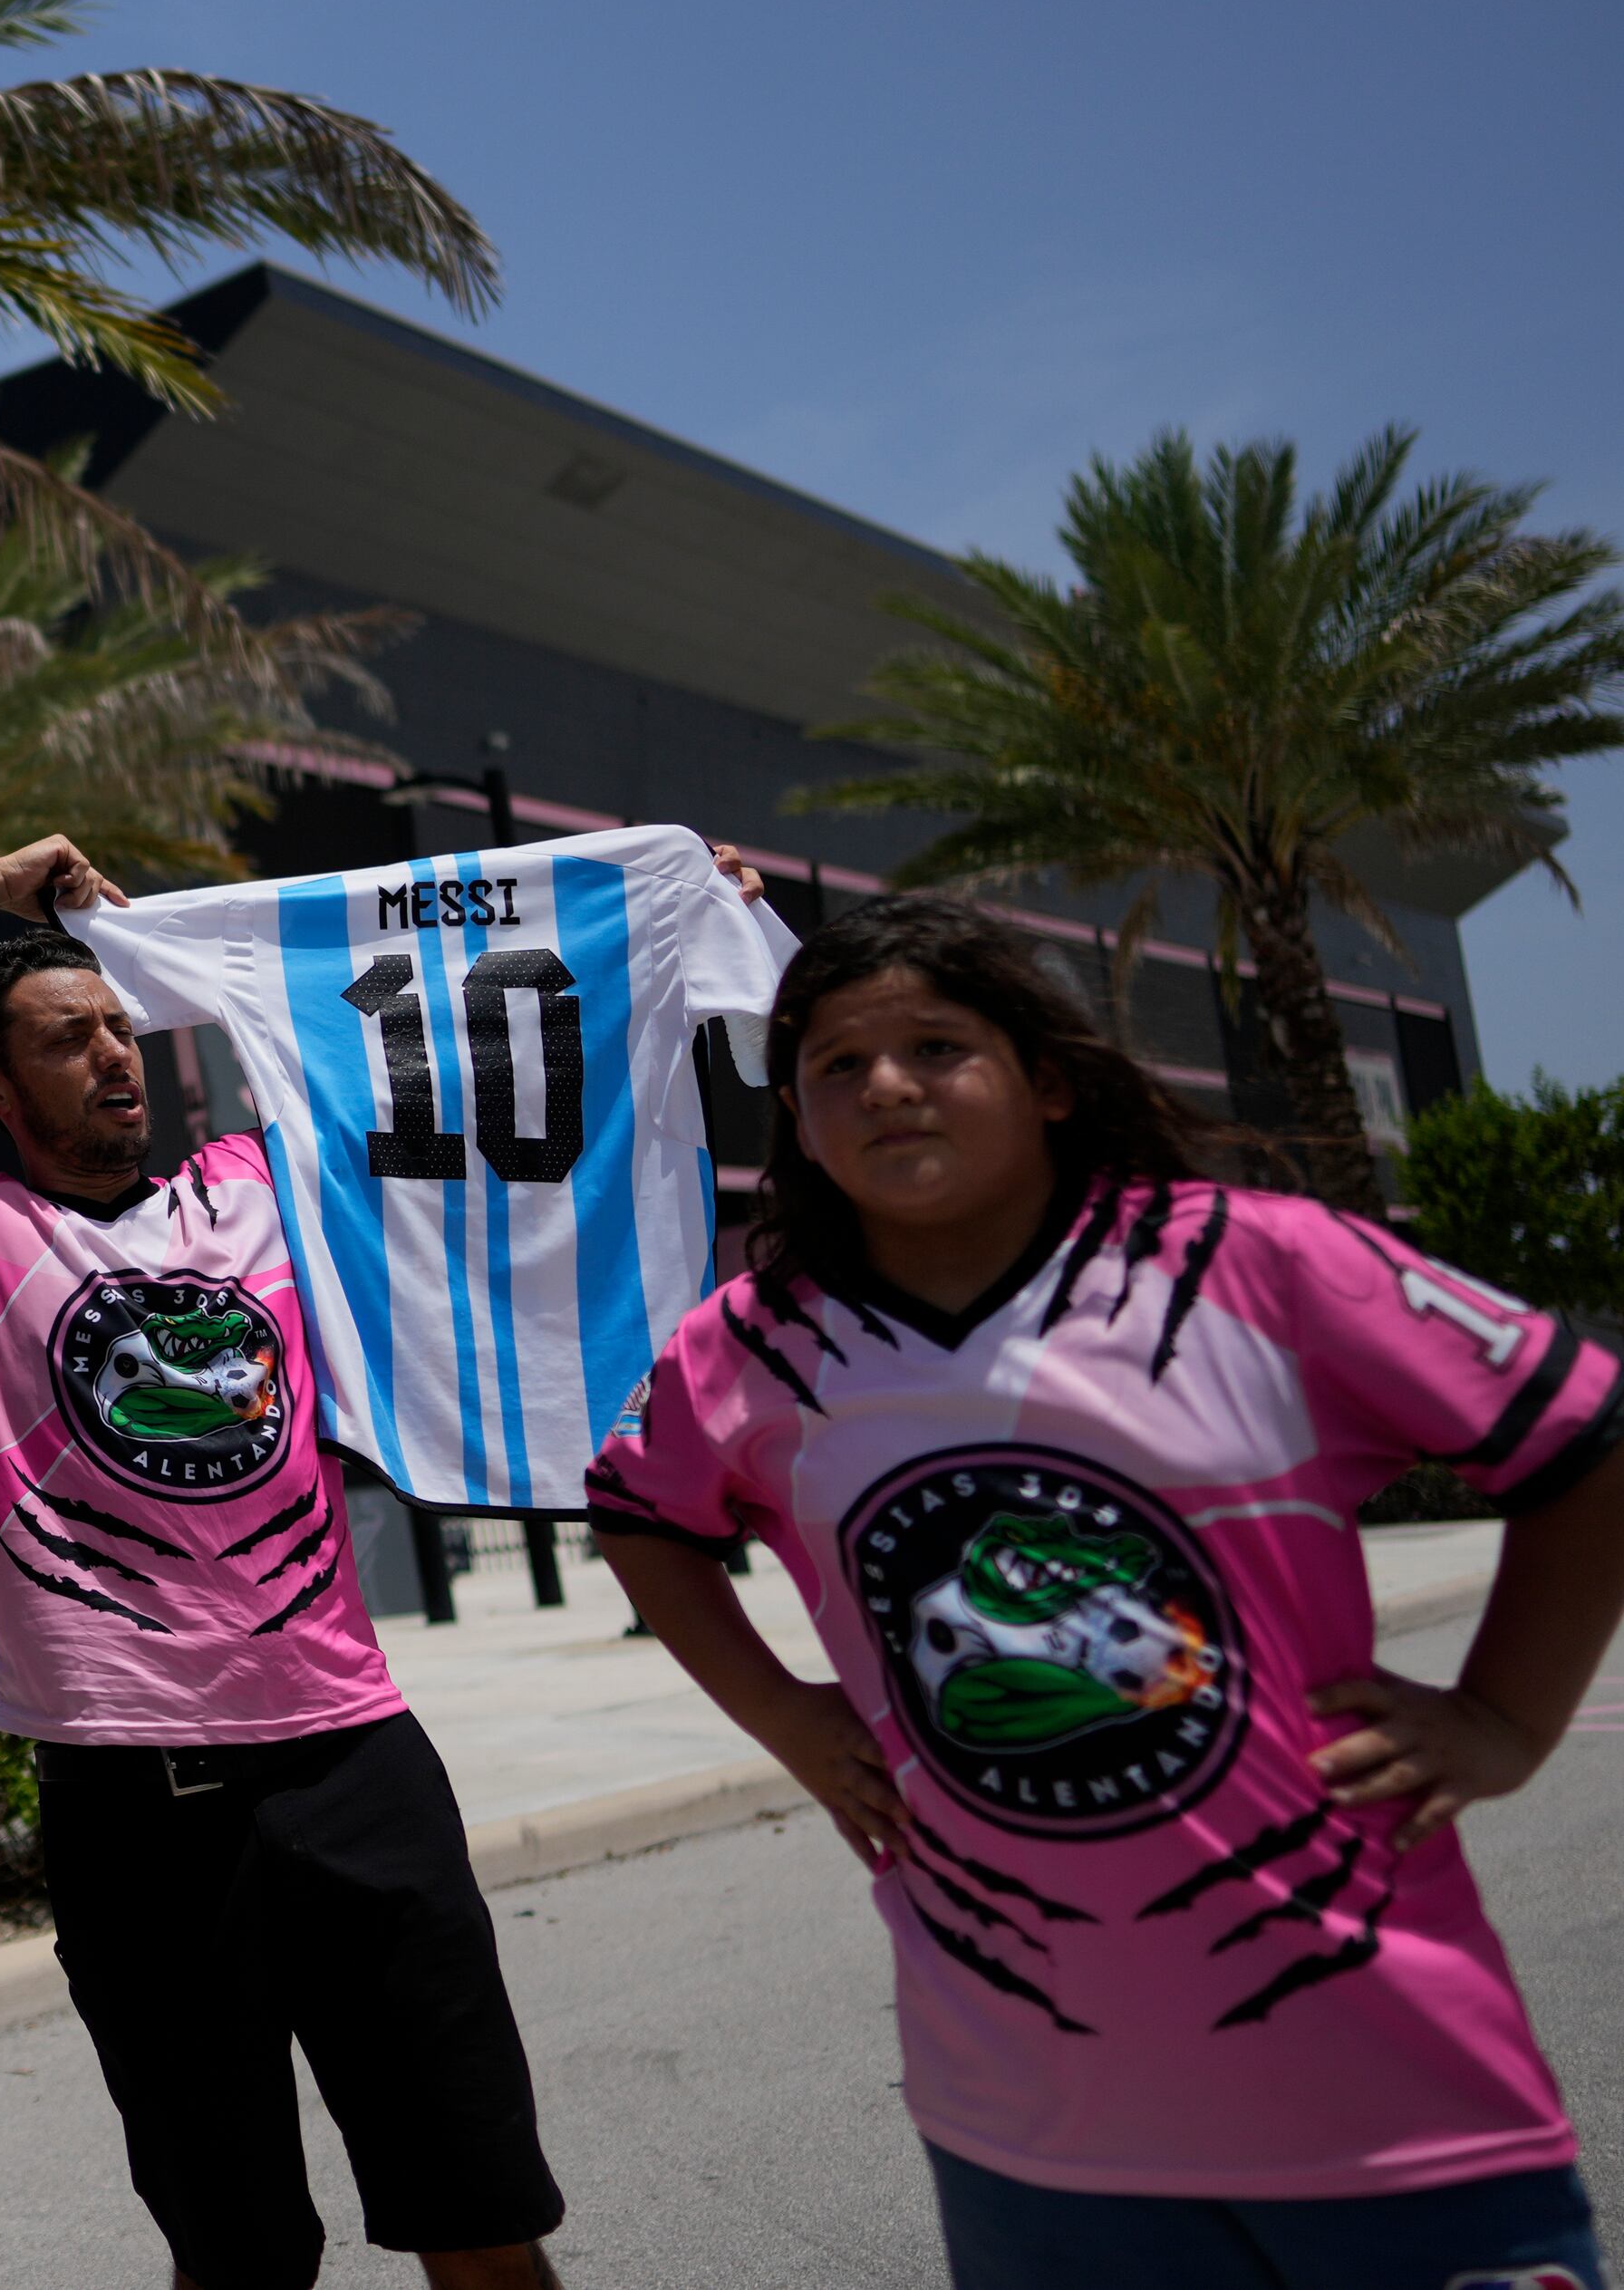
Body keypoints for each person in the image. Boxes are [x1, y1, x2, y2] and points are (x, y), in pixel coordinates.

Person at [592, 894, 1624, 2290]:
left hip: (1396, 2109)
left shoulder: (1254, 1264)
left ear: (1051, 1080)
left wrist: (1506, 1716)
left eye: (938, 1046)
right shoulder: (753, 1348)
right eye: (835, 1063)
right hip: (1028, 2137)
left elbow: (1585, 1444)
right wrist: (789, 1716)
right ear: (798, 1116)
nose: (886, 1084)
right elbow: (639, 1512)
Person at [0, 837, 576, 2290]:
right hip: (132, 1809)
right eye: (68, 1039)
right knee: (240, 2252)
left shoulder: (260, 1184)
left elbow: (482, 1048)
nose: (113, 1055)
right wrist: (4, 882)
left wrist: (663, 913)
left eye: (121, 1028)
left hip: (357, 1767)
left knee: (478, 2211)